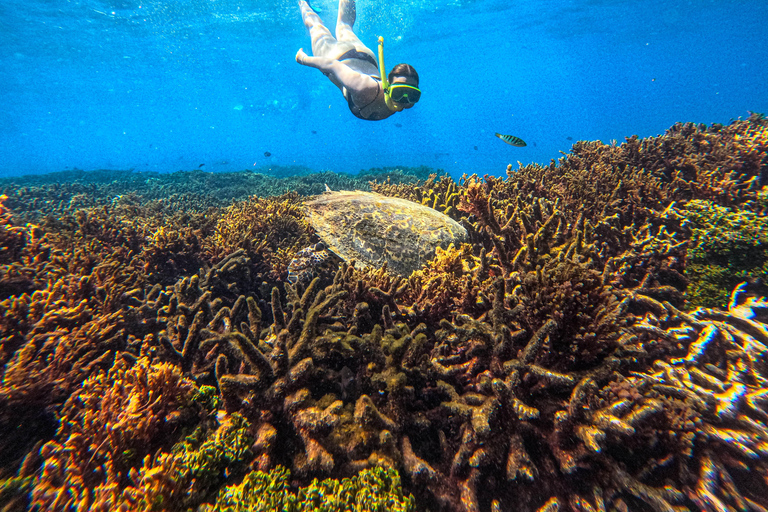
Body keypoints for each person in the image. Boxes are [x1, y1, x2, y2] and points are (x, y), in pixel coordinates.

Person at [295, 0, 421, 121]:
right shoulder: (364, 88)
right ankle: (302, 2)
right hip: (337, 56)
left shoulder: (392, 96)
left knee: (345, 26)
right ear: (387, 86)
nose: (404, 101)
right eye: (397, 93)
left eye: (412, 95)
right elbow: (332, 65)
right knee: (316, 27)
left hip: (366, 56)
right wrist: (303, 59)